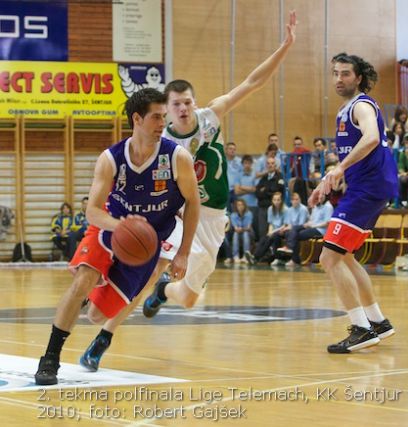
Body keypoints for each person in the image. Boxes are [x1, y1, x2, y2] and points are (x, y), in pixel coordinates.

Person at [78, 11, 297, 371]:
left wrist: (285, 46)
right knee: (153, 266)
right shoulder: (158, 139)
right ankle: (103, 339)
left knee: (190, 298)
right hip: (178, 212)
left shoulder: (211, 117)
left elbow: (252, 82)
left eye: (186, 102)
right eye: (174, 104)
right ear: (165, 109)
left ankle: (165, 292)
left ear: (194, 104)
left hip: (213, 216)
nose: (181, 109)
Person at [34, 88, 200, 385]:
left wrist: (183, 252)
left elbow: (193, 203)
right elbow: (93, 212)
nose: (163, 123)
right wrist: (119, 227)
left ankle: (87, 300)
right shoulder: (111, 159)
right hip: (109, 227)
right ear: (137, 119)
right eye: (156, 117)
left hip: (148, 243)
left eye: (164, 117)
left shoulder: (177, 158)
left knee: (97, 316)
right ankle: (50, 359)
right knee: (83, 278)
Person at [308, 53, 397, 353]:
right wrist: (327, 180)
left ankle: (360, 328)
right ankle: (377, 321)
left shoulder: (361, 105)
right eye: (335, 73)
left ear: (358, 77)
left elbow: (371, 138)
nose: (338, 79)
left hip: (369, 188)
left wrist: (339, 168)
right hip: (367, 186)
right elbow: (359, 153)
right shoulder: (344, 111)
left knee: (328, 258)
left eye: (345, 73)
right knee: (344, 256)